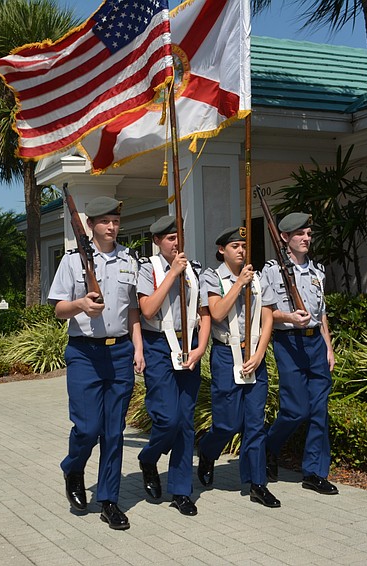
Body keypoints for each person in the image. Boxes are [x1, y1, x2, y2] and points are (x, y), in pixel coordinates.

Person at [48, 196, 145, 530]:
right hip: (84, 354)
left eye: (115, 221)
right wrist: (79, 305)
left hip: (119, 352)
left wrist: (138, 347)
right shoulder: (73, 261)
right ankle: (73, 467)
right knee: (88, 428)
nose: (111, 227)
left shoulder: (130, 259)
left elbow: (133, 309)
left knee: (114, 433)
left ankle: (109, 501)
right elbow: (59, 309)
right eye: (104, 221)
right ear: (90, 226)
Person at [196, 226, 281, 508]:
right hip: (225, 354)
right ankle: (208, 451)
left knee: (255, 424)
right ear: (222, 250)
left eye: (243, 246)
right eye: (235, 246)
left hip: (254, 353)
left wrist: (259, 352)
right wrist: (239, 284)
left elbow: (268, 318)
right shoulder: (212, 277)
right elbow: (217, 312)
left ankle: (257, 483)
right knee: (227, 423)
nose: (241, 251)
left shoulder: (258, 278)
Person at [136, 215, 210, 516]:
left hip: (189, 345)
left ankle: (181, 490)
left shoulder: (196, 270)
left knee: (186, 422)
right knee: (167, 419)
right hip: (158, 346)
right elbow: (148, 309)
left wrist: (201, 347)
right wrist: (171, 274)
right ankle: (148, 457)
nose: (176, 242)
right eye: (169, 238)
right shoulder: (147, 269)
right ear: (157, 241)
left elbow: (204, 313)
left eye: (179, 236)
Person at [260, 212, 338, 495]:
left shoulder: (318, 270)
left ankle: (315, 472)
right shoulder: (270, 271)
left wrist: (328, 347)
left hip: (315, 343)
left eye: (308, 234)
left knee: (319, 411)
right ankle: (270, 446)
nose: (306, 239)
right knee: (296, 410)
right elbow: (265, 314)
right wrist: (290, 318)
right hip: (289, 343)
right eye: (299, 234)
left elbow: (322, 313)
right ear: (284, 238)